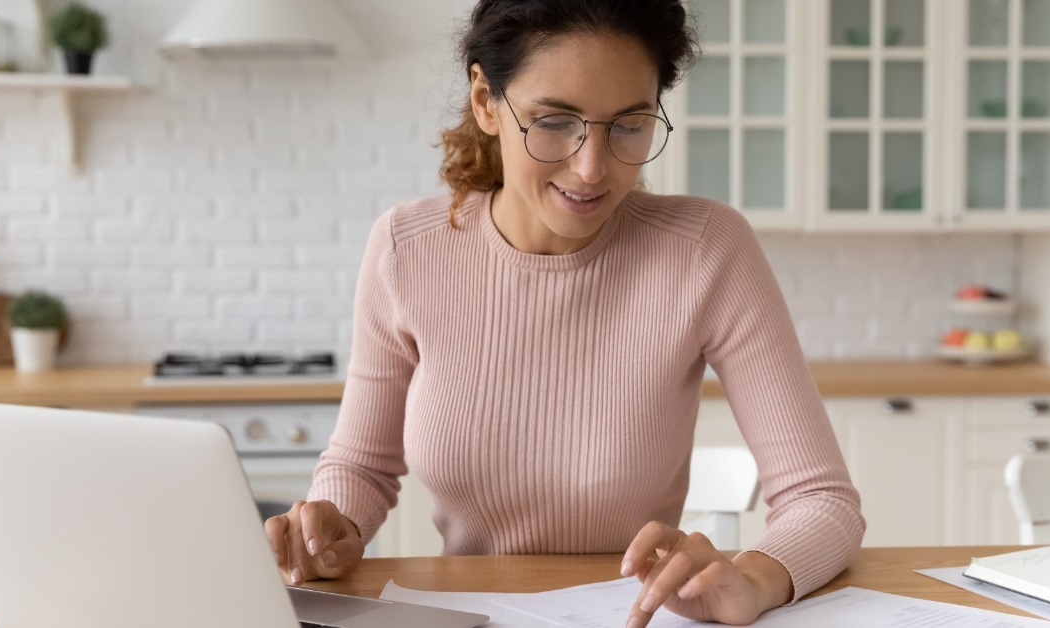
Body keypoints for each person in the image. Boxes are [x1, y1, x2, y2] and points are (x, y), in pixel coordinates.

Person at [264, 1, 866, 625]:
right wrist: (332, 527)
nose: (591, 168)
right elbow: (361, 465)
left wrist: (755, 580)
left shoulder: (705, 249)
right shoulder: (407, 249)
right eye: (554, 121)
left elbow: (822, 500)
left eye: (630, 125)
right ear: (485, 99)